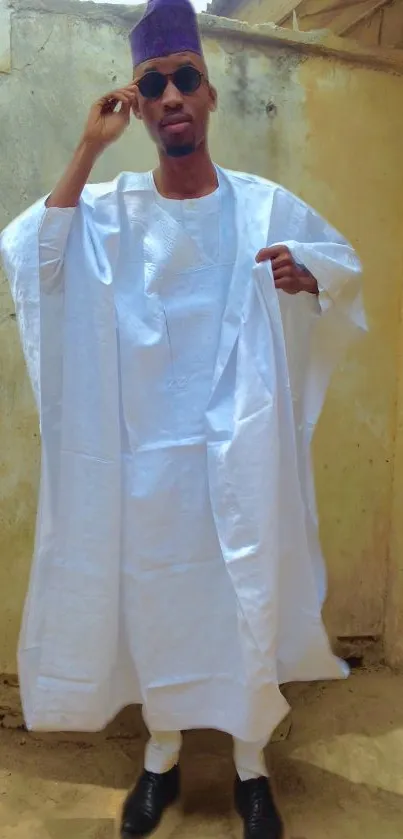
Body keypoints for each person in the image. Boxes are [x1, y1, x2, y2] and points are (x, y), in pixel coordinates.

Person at [0, 0, 365, 836]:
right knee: (159, 600)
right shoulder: (112, 209)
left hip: (246, 454)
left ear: (209, 97)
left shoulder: (264, 206)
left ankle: (248, 765)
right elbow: (34, 255)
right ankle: (160, 757)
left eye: (184, 80)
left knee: (246, 594)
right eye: (153, 83)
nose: (170, 96)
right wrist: (89, 147)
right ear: (141, 102)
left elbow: (338, 268)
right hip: (148, 464)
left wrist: (305, 273)